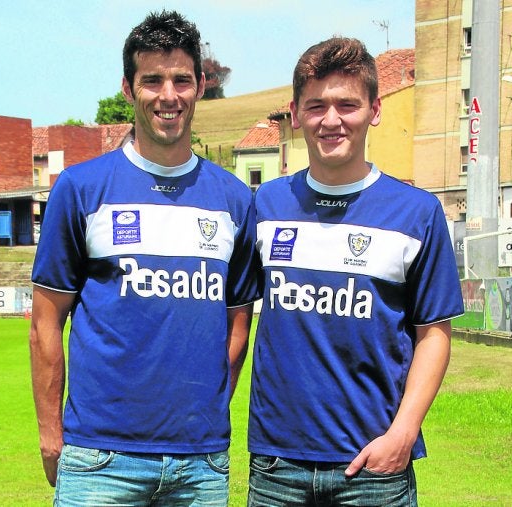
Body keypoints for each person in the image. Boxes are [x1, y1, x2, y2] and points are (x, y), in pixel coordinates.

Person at [29, 10, 257, 505]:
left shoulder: (236, 200)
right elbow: (46, 321)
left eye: (181, 79)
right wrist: (51, 433)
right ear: (129, 89)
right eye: (152, 80)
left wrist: (206, 408)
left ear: (200, 86)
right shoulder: (81, 189)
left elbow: (238, 323)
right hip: (100, 459)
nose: (168, 95)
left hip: (201, 463)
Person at [247, 37, 464, 506]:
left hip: (376, 469)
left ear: (374, 110)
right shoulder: (264, 206)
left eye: (347, 104)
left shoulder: (417, 213)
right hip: (277, 466)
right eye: (316, 105)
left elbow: (434, 334)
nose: (331, 120)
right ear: (296, 112)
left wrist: (403, 434)